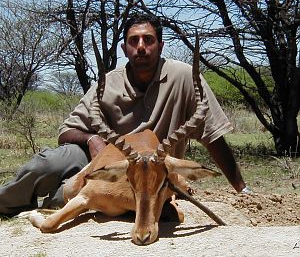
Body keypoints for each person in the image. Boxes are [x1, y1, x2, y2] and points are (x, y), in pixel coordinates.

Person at [0, 13, 250, 218]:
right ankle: (6, 204)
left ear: (160, 45)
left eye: (148, 40)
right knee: (49, 163)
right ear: (124, 47)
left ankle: (53, 201)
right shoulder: (108, 82)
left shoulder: (184, 77)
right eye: (134, 41)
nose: (141, 47)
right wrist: (92, 140)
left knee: (73, 198)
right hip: (100, 161)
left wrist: (242, 189)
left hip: (148, 177)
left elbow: (213, 136)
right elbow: (66, 131)